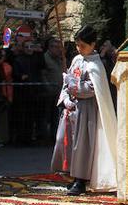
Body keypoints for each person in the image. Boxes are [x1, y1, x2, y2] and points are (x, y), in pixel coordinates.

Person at [51, 25, 118, 195]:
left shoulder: (96, 65)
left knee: (82, 145)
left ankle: (80, 180)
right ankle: (69, 174)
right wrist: (66, 97)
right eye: (77, 45)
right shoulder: (76, 60)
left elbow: (93, 88)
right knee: (64, 140)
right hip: (71, 108)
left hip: (87, 110)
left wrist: (73, 85)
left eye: (82, 45)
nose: (79, 49)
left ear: (93, 44)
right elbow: (68, 82)